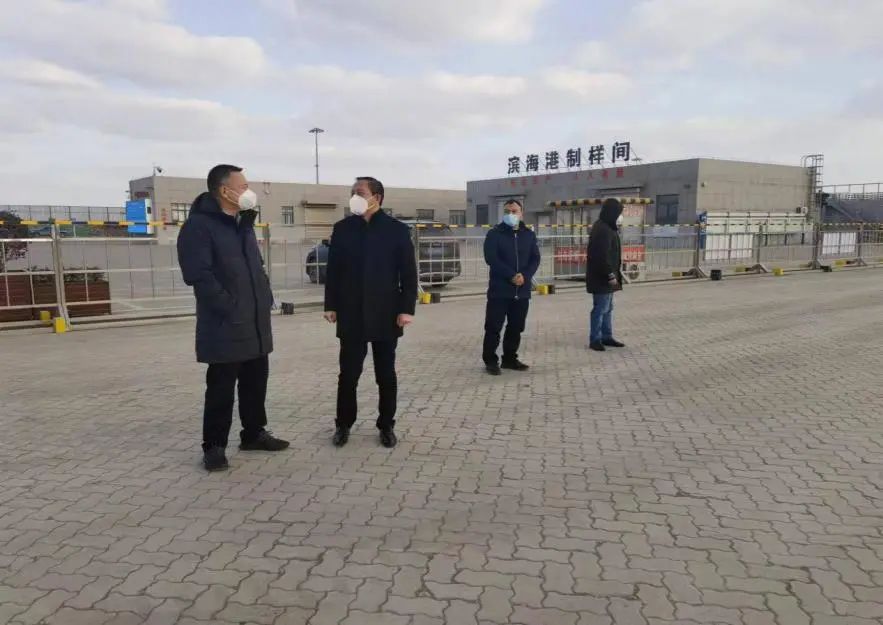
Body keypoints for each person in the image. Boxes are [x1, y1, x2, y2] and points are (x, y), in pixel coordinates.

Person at [178, 164, 289, 472]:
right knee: (221, 388)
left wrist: (263, 297)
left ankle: (253, 434)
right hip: (224, 323)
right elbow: (198, 275)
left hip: (254, 320)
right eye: (243, 186)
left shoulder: (243, 222)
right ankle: (214, 446)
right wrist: (228, 306)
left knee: (255, 382)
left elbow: (256, 267)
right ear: (224, 191)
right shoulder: (199, 226)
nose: (248, 191)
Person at [323, 177, 418, 448]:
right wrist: (331, 304)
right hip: (351, 312)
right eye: (353, 192)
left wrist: (406, 309)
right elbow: (334, 271)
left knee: (385, 374)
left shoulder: (396, 230)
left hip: (386, 312)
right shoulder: (343, 229)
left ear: (377, 197)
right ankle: (343, 424)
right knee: (348, 375)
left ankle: (386, 425)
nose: (355, 196)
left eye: (360, 192)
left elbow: (408, 273)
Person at [481, 199, 541, 375]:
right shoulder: (494, 234)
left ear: (521, 213)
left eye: (514, 211)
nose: (510, 215)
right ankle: (491, 361)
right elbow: (491, 258)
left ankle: (509, 359)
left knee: (516, 327)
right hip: (500, 290)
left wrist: (525, 275)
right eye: (507, 211)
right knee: (493, 327)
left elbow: (535, 258)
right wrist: (511, 275)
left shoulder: (528, 235)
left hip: (521, 291)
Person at [586, 198, 626, 352]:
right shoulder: (602, 229)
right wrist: (610, 274)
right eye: (618, 213)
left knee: (608, 308)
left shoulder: (608, 227)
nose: (620, 217)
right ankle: (595, 339)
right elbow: (601, 256)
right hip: (602, 277)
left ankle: (607, 336)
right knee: (600, 308)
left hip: (607, 276)